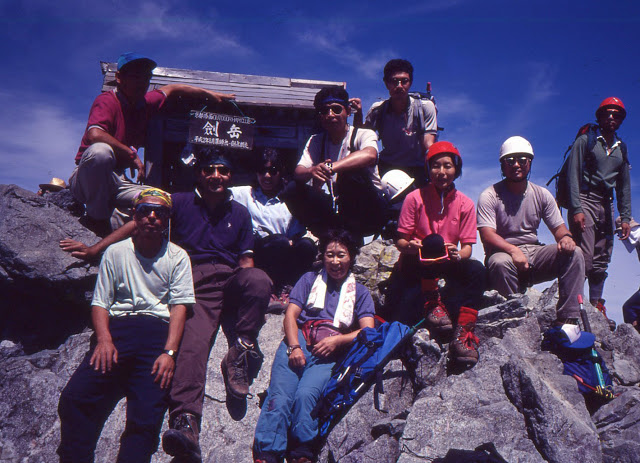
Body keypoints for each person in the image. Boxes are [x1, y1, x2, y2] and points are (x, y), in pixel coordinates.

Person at [60, 147, 272, 461]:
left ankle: (240, 351)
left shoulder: (239, 212)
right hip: (195, 281)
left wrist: (253, 295)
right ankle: (186, 419)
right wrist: (96, 249)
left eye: (223, 170)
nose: (216, 176)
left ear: (230, 176)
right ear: (199, 173)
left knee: (258, 280)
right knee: (193, 343)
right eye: (209, 169)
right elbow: (141, 220)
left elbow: (246, 260)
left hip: (230, 277)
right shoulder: (180, 202)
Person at [57, 188, 194, 463]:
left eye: (159, 212)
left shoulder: (178, 257)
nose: (152, 216)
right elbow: (101, 302)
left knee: (146, 417)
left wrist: (169, 353)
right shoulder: (116, 252)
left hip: (157, 333)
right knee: (75, 399)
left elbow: (179, 306)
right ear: (135, 215)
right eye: (145, 210)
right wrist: (104, 339)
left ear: (167, 219)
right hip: (118, 330)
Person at [69, 52, 234, 234]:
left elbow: (174, 88)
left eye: (146, 77)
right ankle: (96, 220)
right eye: (135, 76)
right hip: (88, 180)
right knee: (101, 152)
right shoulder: (107, 100)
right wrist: (131, 154)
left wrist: (210, 94)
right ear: (119, 78)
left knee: (160, 198)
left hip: (117, 182)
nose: (142, 82)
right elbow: (95, 134)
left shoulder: (146, 103)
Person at [252, 229, 375, 463]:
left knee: (306, 395)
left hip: (329, 353)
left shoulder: (360, 292)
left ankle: (302, 450)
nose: (335, 261)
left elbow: (367, 331)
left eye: (341, 255)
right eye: (330, 255)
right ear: (323, 256)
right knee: (280, 395)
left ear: (351, 257)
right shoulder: (309, 280)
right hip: (298, 341)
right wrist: (294, 347)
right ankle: (268, 452)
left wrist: (338, 340)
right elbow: (291, 315)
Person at [394, 141, 486, 365]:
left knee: (477, 269)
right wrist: (410, 246)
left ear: (456, 169)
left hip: (446, 261)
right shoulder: (415, 198)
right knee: (434, 242)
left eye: (448, 166)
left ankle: (463, 332)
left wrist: (458, 255)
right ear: (428, 169)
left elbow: (467, 247)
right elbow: (400, 240)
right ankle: (432, 303)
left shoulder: (465, 204)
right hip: (417, 262)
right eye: (436, 166)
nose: (442, 172)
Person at [477, 136, 585, 324]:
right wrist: (513, 250)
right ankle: (512, 318)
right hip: (504, 254)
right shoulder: (490, 195)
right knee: (499, 262)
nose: (516, 165)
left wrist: (566, 238)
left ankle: (568, 319)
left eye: (522, 160)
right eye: (510, 161)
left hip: (534, 253)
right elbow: (487, 234)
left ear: (530, 162)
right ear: (502, 165)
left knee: (574, 253)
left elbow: (559, 229)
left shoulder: (541, 194)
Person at [282, 86, 388, 240]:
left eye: (336, 109)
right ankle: (325, 235)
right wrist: (312, 171)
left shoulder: (363, 134)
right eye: (324, 111)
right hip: (337, 206)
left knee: (350, 174)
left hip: (369, 208)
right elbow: (299, 171)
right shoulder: (316, 140)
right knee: (292, 189)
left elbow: (370, 154)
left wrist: (331, 167)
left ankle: (354, 236)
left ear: (348, 112)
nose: (330, 115)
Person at [567, 97, 632, 324]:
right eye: (607, 113)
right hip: (585, 199)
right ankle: (574, 305)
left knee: (602, 257)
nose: (612, 118)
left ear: (621, 119)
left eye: (617, 115)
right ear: (600, 116)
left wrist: (625, 216)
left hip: (607, 203)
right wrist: (576, 207)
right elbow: (573, 175)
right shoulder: (586, 141)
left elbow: (624, 185)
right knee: (584, 256)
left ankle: (596, 306)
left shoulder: (621, 148)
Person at [230, 147, 317, 306]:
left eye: (273, 171)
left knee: (306, 245)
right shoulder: (245, 194)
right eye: (262, 171)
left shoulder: (290, 198)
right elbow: (218, 192)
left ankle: (290, 289)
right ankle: (270, 288)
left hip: (285, 251)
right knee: (278, 242)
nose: (267, 176)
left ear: (281, 172)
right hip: (259, 251)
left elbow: (298, 232)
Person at [362, 59, 438, 187]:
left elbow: (428, 144)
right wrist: (358, 114)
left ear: (410, 82)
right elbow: (362, 140)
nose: (399, 86)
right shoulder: (377, 110)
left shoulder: (425, 107)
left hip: (417, 168)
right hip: (387, 167)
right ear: (386, 83)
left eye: (404, 81)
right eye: (394, 81)